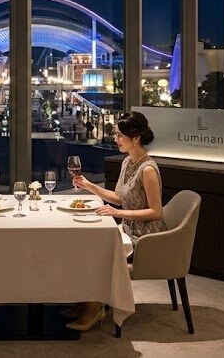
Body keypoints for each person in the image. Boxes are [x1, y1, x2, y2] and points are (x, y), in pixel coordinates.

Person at [67, 110, 165, 331]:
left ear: (136, 138)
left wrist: (117, 214)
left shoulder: (147, 169)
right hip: (128, 227)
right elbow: (120, 199)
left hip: (145, 236)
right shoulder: (128, 162)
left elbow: (156, 212)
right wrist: (89, 186)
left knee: (96, 249)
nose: (116, 139)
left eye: (120, 135)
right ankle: (86, 300)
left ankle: (95, 308)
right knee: (83, 242)